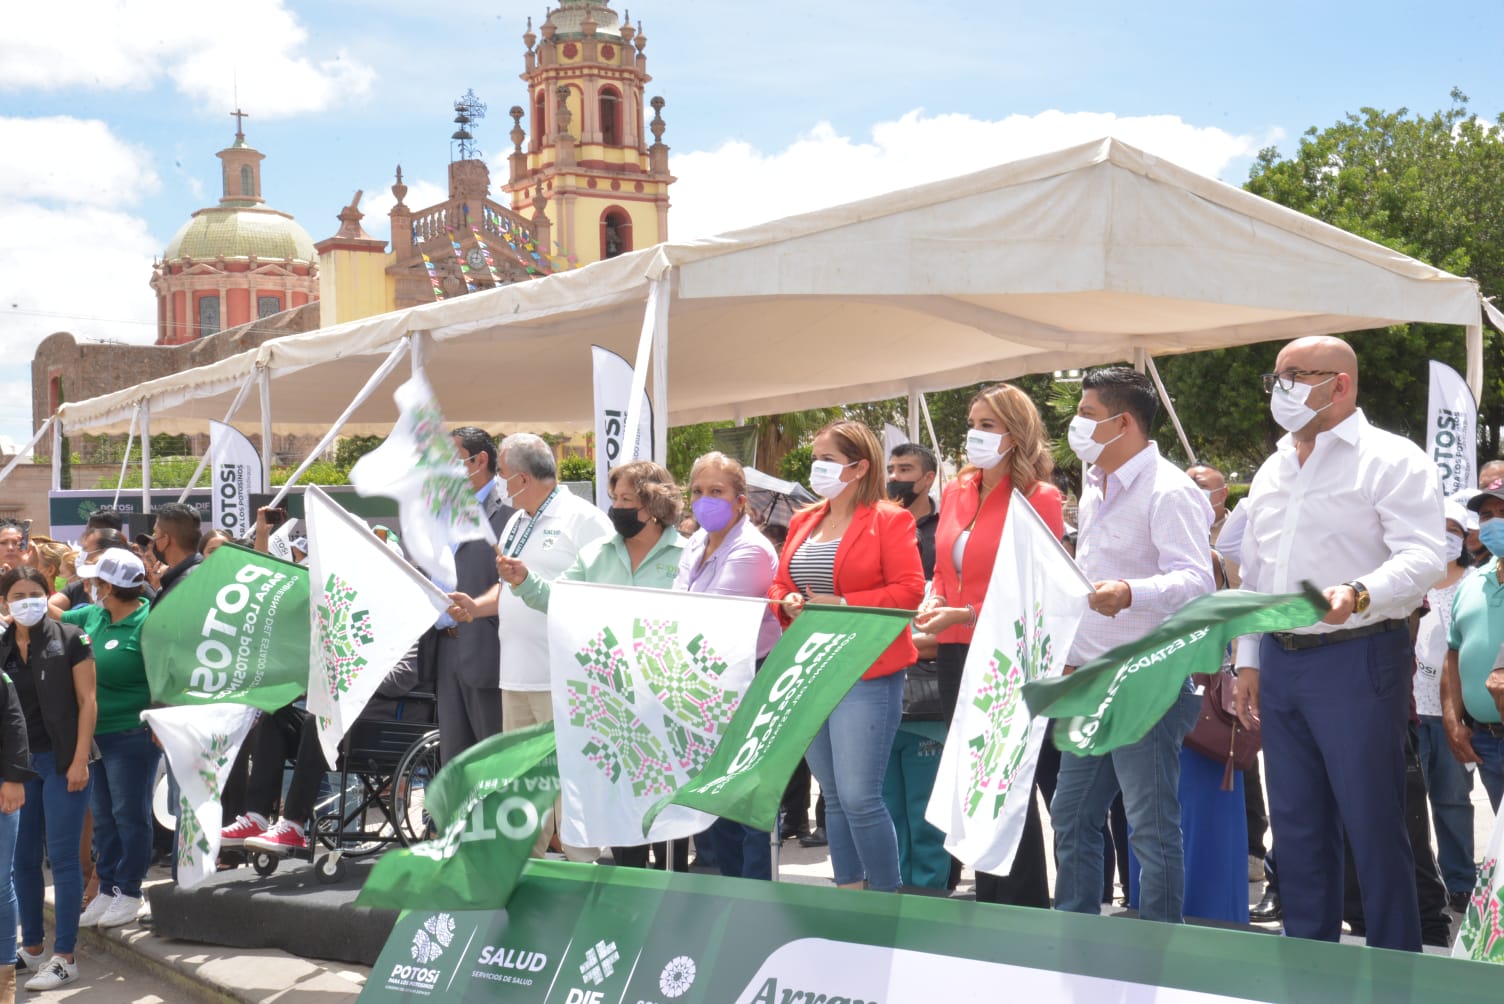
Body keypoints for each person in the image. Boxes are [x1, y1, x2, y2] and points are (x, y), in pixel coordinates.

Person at [1233, 336, 1444, 952]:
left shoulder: (1390, 458)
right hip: (1280, 658)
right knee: (1296, 828)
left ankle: (1395, 966)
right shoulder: (1273, 467)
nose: (1281, 389)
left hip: (1358, 656)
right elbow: (1255, 573)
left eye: (1295, 375)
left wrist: (1359, 590)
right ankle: (1307, 962)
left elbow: (1425, 554)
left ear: (1341, 384)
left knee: (1373, 824)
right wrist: (1249, 658)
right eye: (1276, 377)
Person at [1049, 367, 1212, 925]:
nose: (1076, 425)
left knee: (1150, 825)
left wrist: (1130, 592)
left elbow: (1197, 581)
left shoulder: (1169, 490)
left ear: (1124, 423)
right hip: (1092, 679)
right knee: (1070, 815)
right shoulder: (1095, 485)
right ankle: (1073, 929)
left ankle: (1159, 945)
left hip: (1147, 684)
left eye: (1087, 414)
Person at [916, 385, 1065, 906]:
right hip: (956, 650)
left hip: (1009, 656)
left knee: (1009, 779)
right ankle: (990, 896)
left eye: (988, 426)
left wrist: (971, 612)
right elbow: (942, 567)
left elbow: (1039, 587)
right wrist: (934, 600)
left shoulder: (1041, 498)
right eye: (972, 424)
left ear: (1016, 434)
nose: (975, 435)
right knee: (976, 781)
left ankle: (1023, 904)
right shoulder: (958, 490)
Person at [499, 460, 686, 870]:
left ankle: (675, 894)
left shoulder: (686, 553)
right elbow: (559, 599)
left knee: (666, 807)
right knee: (622, 801)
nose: (617, 507)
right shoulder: (596, 554)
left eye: (627, 500)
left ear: (654, 504)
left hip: (665, 700)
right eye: (615, 497)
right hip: (612, 700)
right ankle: (630, 889)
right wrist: (523, 579)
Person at [768, 420, 926, 892]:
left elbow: (909, 593)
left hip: (867, 670)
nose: (816, 467)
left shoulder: (889, 519)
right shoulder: (805, 518)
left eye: (827, 459)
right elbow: (780, 583)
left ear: (859, 467)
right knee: (834, 796)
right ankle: (848, 894)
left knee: (859, 797)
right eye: (815, 457)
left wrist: (845, 604)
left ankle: (885, 899)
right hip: (811, 667)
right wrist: (787, 601)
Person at [446, 433, 611, 859]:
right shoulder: (518, 521)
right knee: (521, 784)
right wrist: (475, 607)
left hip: (562, 677)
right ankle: (527, 873)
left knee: (566, 786)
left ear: (521, 477)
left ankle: (584, 875)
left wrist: (527, 582)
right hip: (515, 674)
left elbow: (603, 594)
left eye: (501, 474)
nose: (498, 483)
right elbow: (507, 589)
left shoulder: (583, 519)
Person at [673, 451, 780, 880]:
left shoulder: (751, 548)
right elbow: (677, 600)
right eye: (697, 492)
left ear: (740, 500)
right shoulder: (696, 542)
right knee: (714, 791)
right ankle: (725, 882)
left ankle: (753, 889)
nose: (704, 501)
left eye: (716, 492)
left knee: (745, 792)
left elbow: (709, 616)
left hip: (749, 675)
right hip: (705, 680)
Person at [0, 567, 97, 990]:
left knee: (62, 857)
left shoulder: (72, 637)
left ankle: (65, 956)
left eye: (34, 593)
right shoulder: (2, 646)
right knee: (22, 860)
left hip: (64, 762)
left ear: (49, 594)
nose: (27, 601)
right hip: (21, 769)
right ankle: (33, 947)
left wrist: (79, 759)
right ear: (5, 602)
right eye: (18, 595)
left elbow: (87, 700)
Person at [242, 643, 432, 855]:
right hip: (345, 723)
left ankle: (294, 824)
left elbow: (400, 679)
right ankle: (256, 817)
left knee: (318, 722)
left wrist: (349, 676)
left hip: (378, 728)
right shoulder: (373, 630)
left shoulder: (414, 634)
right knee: (275, 716)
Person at [61, 550, 158, 930]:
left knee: (129, 816)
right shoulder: (93, 615)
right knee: (103, 816)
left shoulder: (149, 622)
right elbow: (54, 619)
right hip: (96, 737)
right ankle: (109, 887)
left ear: (110, 586)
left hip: (132, 735)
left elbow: (164, 676)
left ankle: (130, 891)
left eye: (96, 581)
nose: (90, 587)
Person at [425, 428, 515, 764]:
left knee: (493, 760)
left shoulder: (509, 512)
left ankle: (496, 820)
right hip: (444, 648)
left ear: (480, 461)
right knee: (455, 760)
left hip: (488, 649)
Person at [882, 442, 949, 890]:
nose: (896, 477)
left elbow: (946, 623)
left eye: (906, 469)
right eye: (891, 469)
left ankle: (927, 902)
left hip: (929, 699)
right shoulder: (875, 528)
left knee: (927, 820)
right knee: (888, 815)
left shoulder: (947, 534)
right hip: (878, 695)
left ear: (928, 479)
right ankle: (892, 901)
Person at [1414, 501, 1477, 911]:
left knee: (1452, 800)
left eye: (1456, 529)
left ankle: (1460, 881)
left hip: (1454, 713)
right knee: (1407, 801)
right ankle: (1420, 881)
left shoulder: (1475, 583)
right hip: (1408, 711)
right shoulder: (1411, 581)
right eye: (1440, 528)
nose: (1447, 537)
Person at [1442, 483, 1504, 813]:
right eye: (1486, 515)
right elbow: (1453, 653)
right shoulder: (1471, 583)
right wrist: (1453, 722)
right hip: (1486, 743)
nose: (1494, 522)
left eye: (1503, 513)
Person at [0, 636, 32, 1004]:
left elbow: (14, 724)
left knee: (0, 881)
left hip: (2, 788)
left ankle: (4, 977)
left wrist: (13, 778)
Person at [149, 503, 203, 602]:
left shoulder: (182, 586)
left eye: (155, 533)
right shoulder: (205, 573)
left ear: (165, 539)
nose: (154, 539)